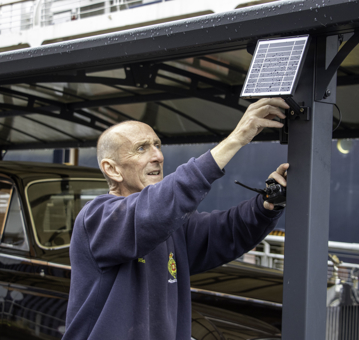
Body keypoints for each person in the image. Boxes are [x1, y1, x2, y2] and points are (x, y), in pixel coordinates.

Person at [64, 98, 290, 340]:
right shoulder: (98, 217)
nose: (158, 156)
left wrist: (267, 204)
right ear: (112, 169)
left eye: (157, 145)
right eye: (142, 148)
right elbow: (155, 209)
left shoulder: (171, 224)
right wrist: (235, 139)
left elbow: (226, 231)